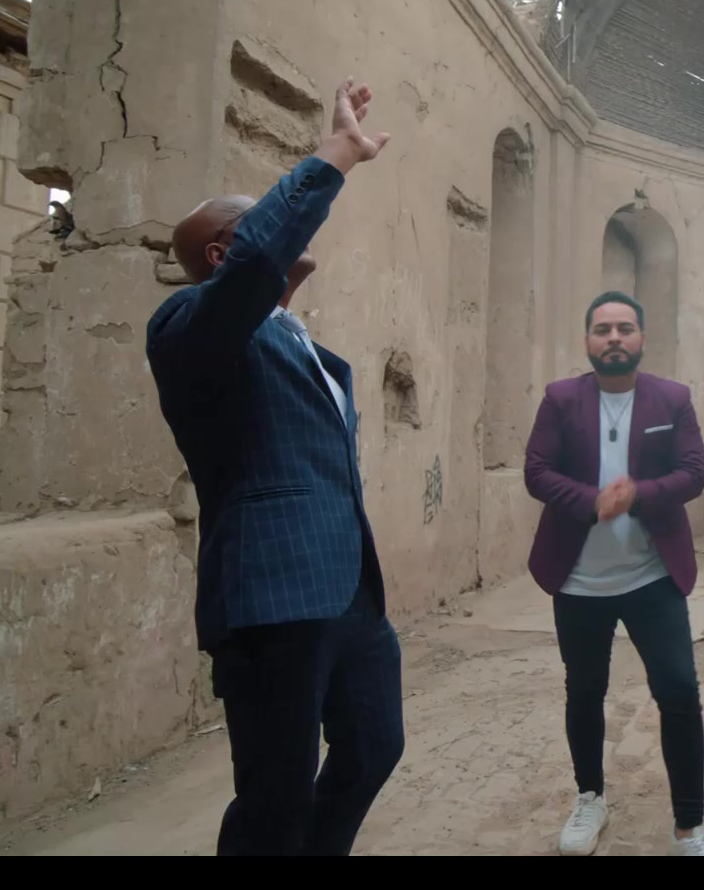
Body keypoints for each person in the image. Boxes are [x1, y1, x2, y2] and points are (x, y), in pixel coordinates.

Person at [146, 77, 401, 856]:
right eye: (257, 218)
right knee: (275, 797)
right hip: (271, 600)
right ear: (222, 254)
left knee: (374, 747)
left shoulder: (301, 344)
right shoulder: (188, 327)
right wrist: (337, 154)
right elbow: (259, 258)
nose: (280, 227)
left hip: (350, 596)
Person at [523, 291, 704, 856]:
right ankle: (590, 798)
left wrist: (638, 495)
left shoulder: (672, 399)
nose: (614, 338)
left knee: (679, 691)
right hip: (579, 581)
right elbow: (537, 471)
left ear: (641, 339)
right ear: (588, 340)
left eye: (624, 328)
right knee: (585, 692)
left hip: (652, 576)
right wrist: (591, 501)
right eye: (603, 329)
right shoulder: (560, 399)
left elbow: (693, 473)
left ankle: (689, 826)